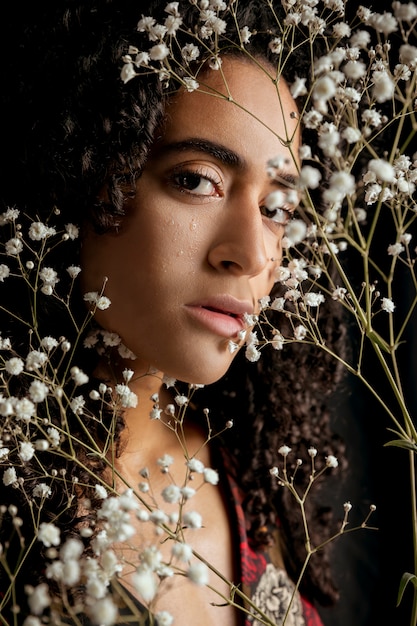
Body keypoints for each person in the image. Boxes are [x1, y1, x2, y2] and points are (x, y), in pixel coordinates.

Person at [0, 1, 346, 625]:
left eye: (277, 208)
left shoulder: (257, 483)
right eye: (196, 180)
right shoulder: (14, 500)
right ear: (80, 171)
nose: (250, 253)